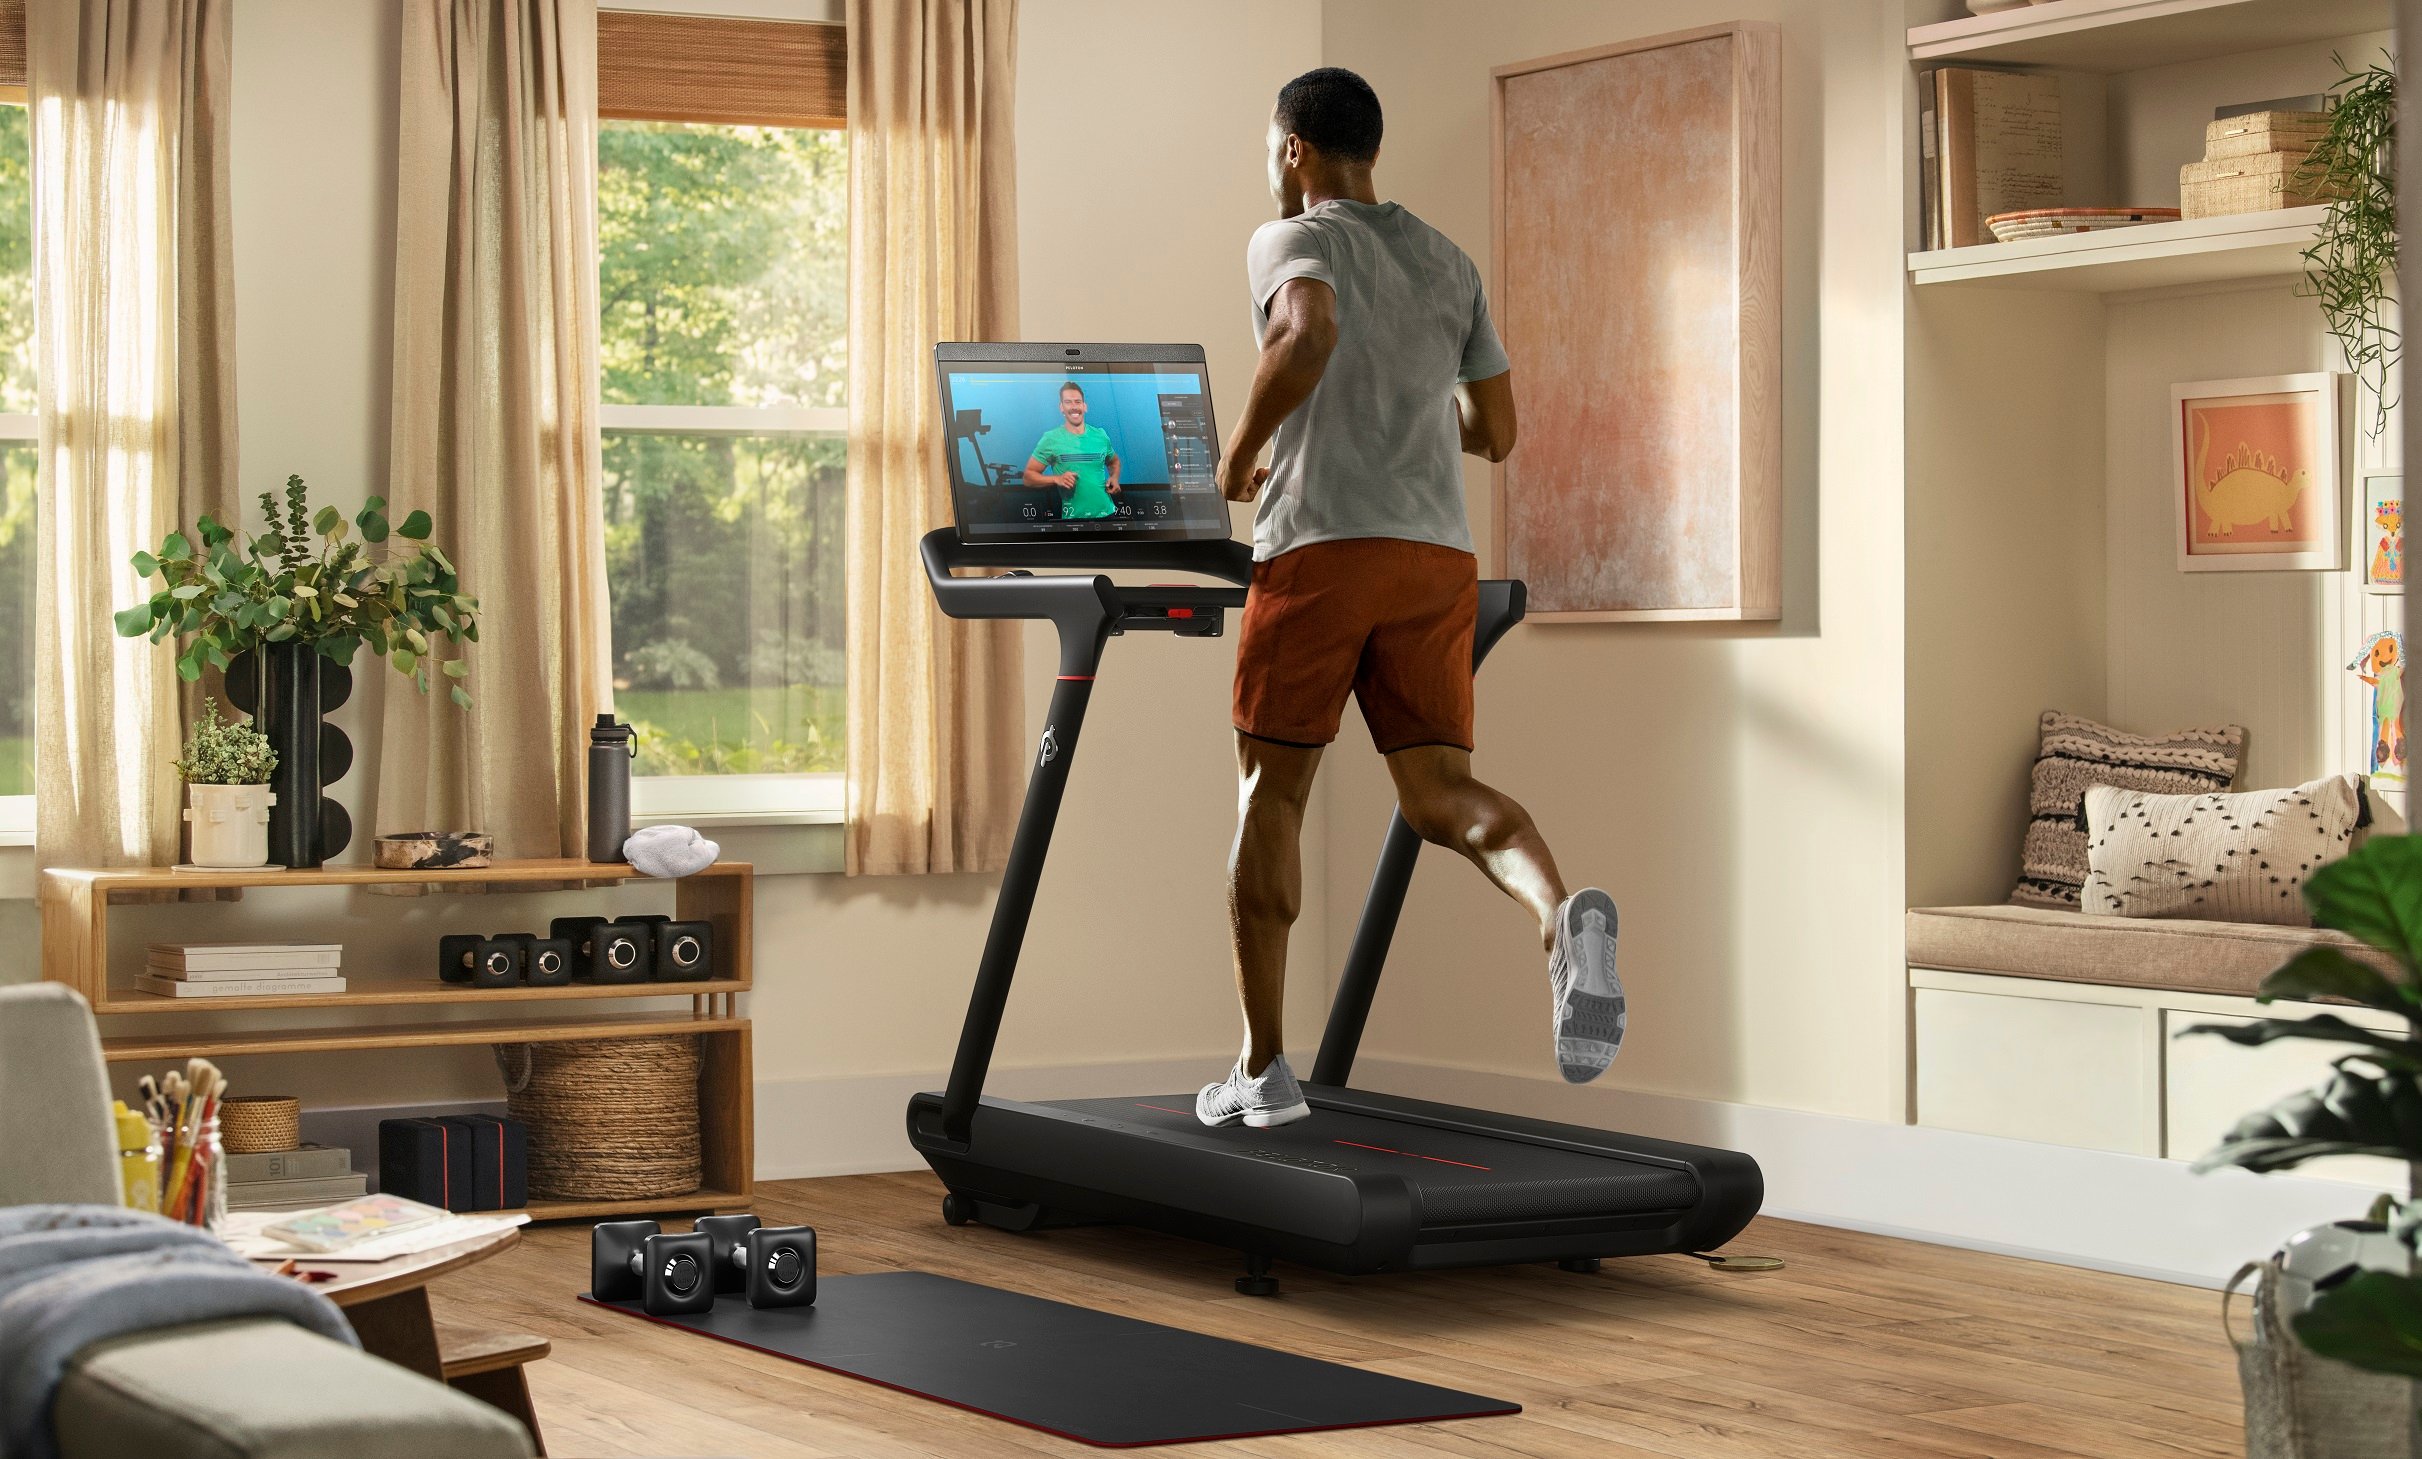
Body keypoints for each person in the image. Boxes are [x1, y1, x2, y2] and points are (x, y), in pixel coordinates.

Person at [1197, 67, 1624, 1130]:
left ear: (1292, 147)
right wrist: (1414, 406)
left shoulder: (1292, 238)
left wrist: (1238, 458)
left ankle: (1261, 1068)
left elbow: (1303, 335)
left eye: (1270, 150)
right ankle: (1559, 914)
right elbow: (1496, 432)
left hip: (1321, 552)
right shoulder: (1446, 259)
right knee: (1438, 797)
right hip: (1435, 558)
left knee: (1271, 798)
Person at [1024, 381, 1123, 520]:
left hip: (1108, 516)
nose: (1074, 407)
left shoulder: (1101, 435)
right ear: (1061, 407)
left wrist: (1114, 478)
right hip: (1073, 522)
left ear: (1085, 406)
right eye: (1068, 402)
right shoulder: (1051, 439)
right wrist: (1056, 479)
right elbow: (1028, 477)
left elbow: (1114, 463)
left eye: (1077, 402)